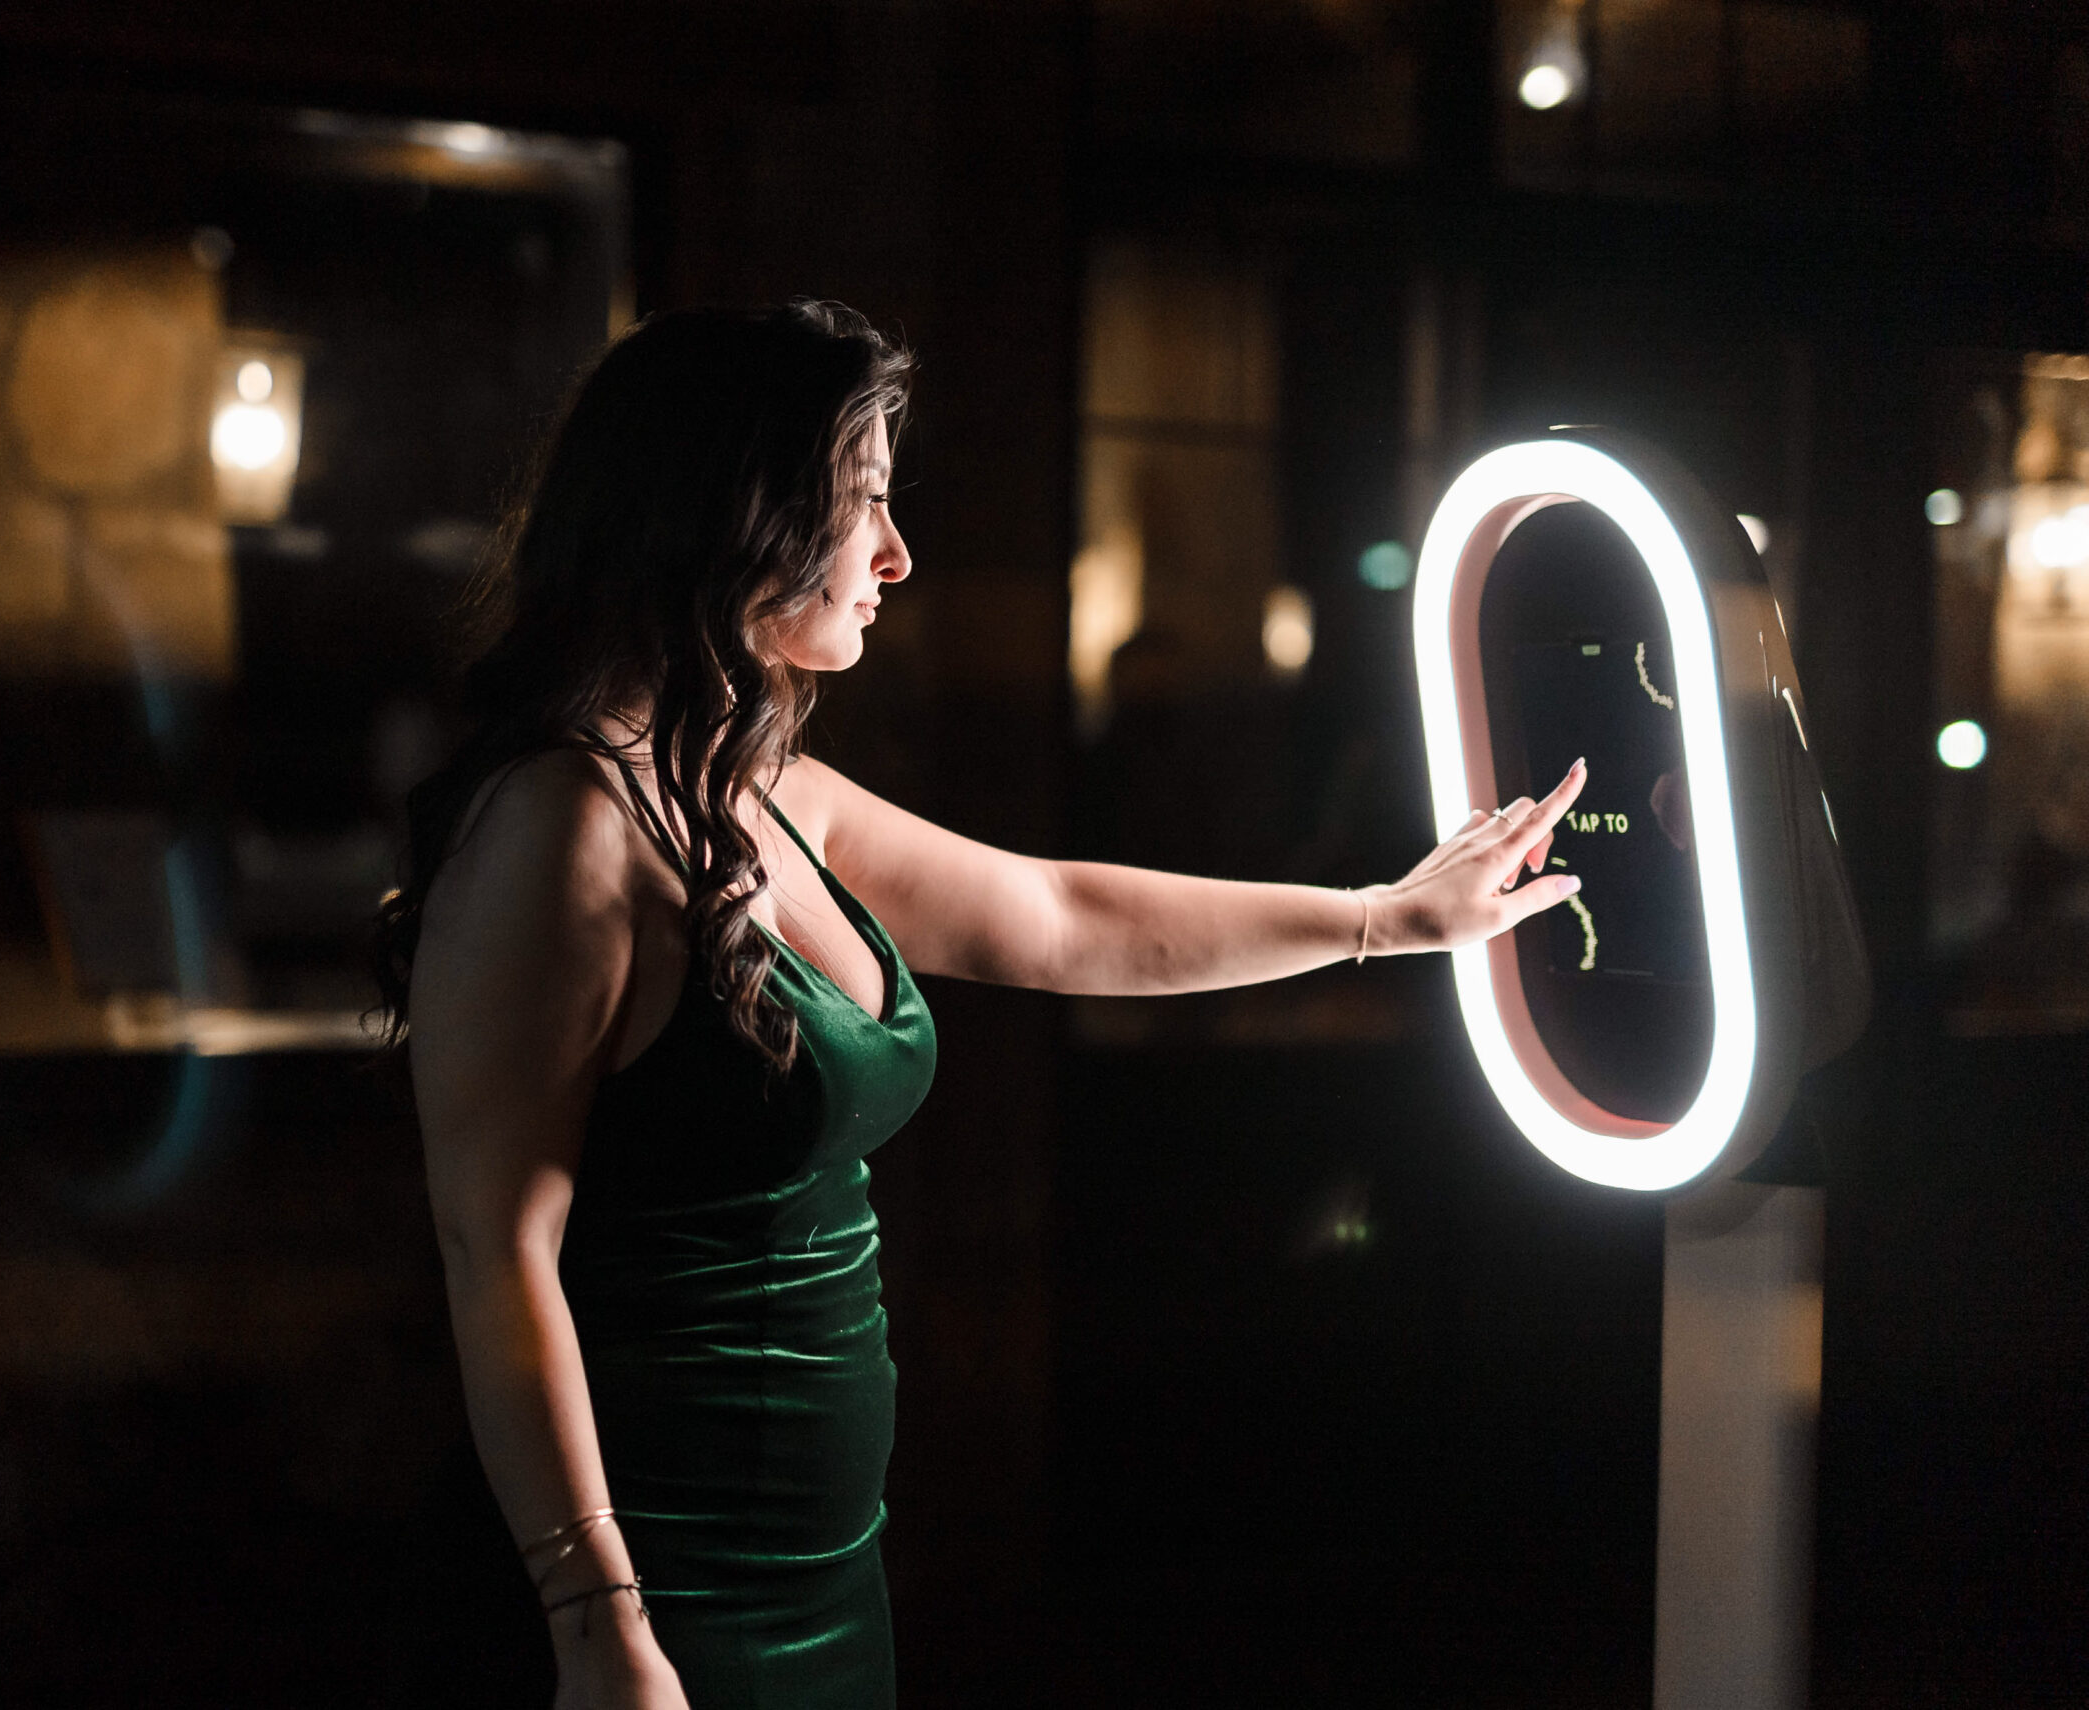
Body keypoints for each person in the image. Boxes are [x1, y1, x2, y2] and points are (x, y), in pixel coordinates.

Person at [370, 302, 1586, 1710]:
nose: (896, 557)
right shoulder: (566, 820)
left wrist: (1389, 918)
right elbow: (495, 1245)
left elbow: (1063, 917)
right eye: (865, 505)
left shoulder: (773, 798)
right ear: (737, 512)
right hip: (649, 1586)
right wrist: (594, 1619)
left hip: (825, 1573)